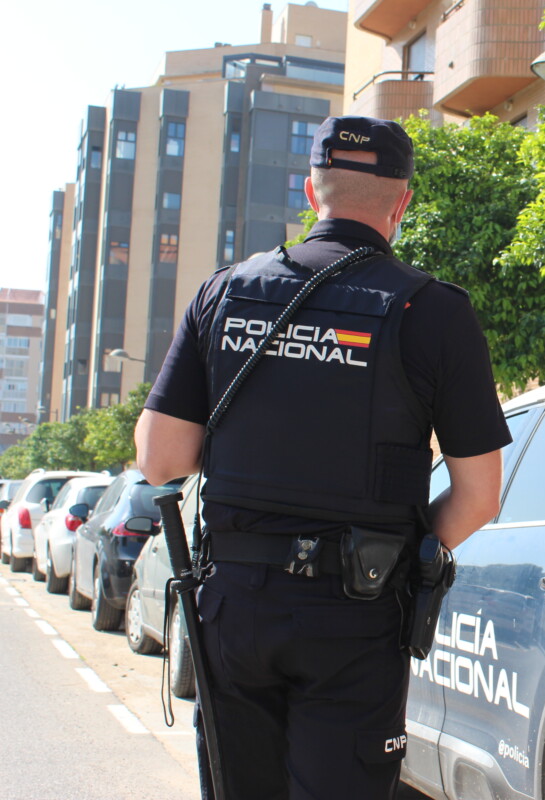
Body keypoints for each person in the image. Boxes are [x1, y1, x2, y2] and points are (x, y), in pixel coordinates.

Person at [134, 115, 510, 799]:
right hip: (354, 614)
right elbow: (480, 496)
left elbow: (162, 460)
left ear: (313, 193)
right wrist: (400, 553)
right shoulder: (434, 312)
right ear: (402, 204)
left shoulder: (226, 292)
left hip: (234, 609)